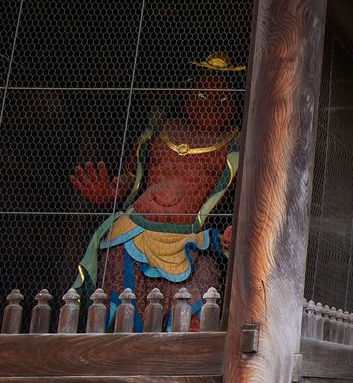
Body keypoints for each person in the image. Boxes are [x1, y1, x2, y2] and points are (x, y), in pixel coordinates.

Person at [70, 52, 243, 329]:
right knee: (115, 301)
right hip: (132, 232)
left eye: (223, 100)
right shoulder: (158, 133)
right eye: (201, 96)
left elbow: (247, 198)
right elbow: (130, 179)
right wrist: (109, 194)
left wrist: (237, 229)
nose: (211, 104)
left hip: (187, 242)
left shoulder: (235, 146)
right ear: (186, 95)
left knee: (200, 298)